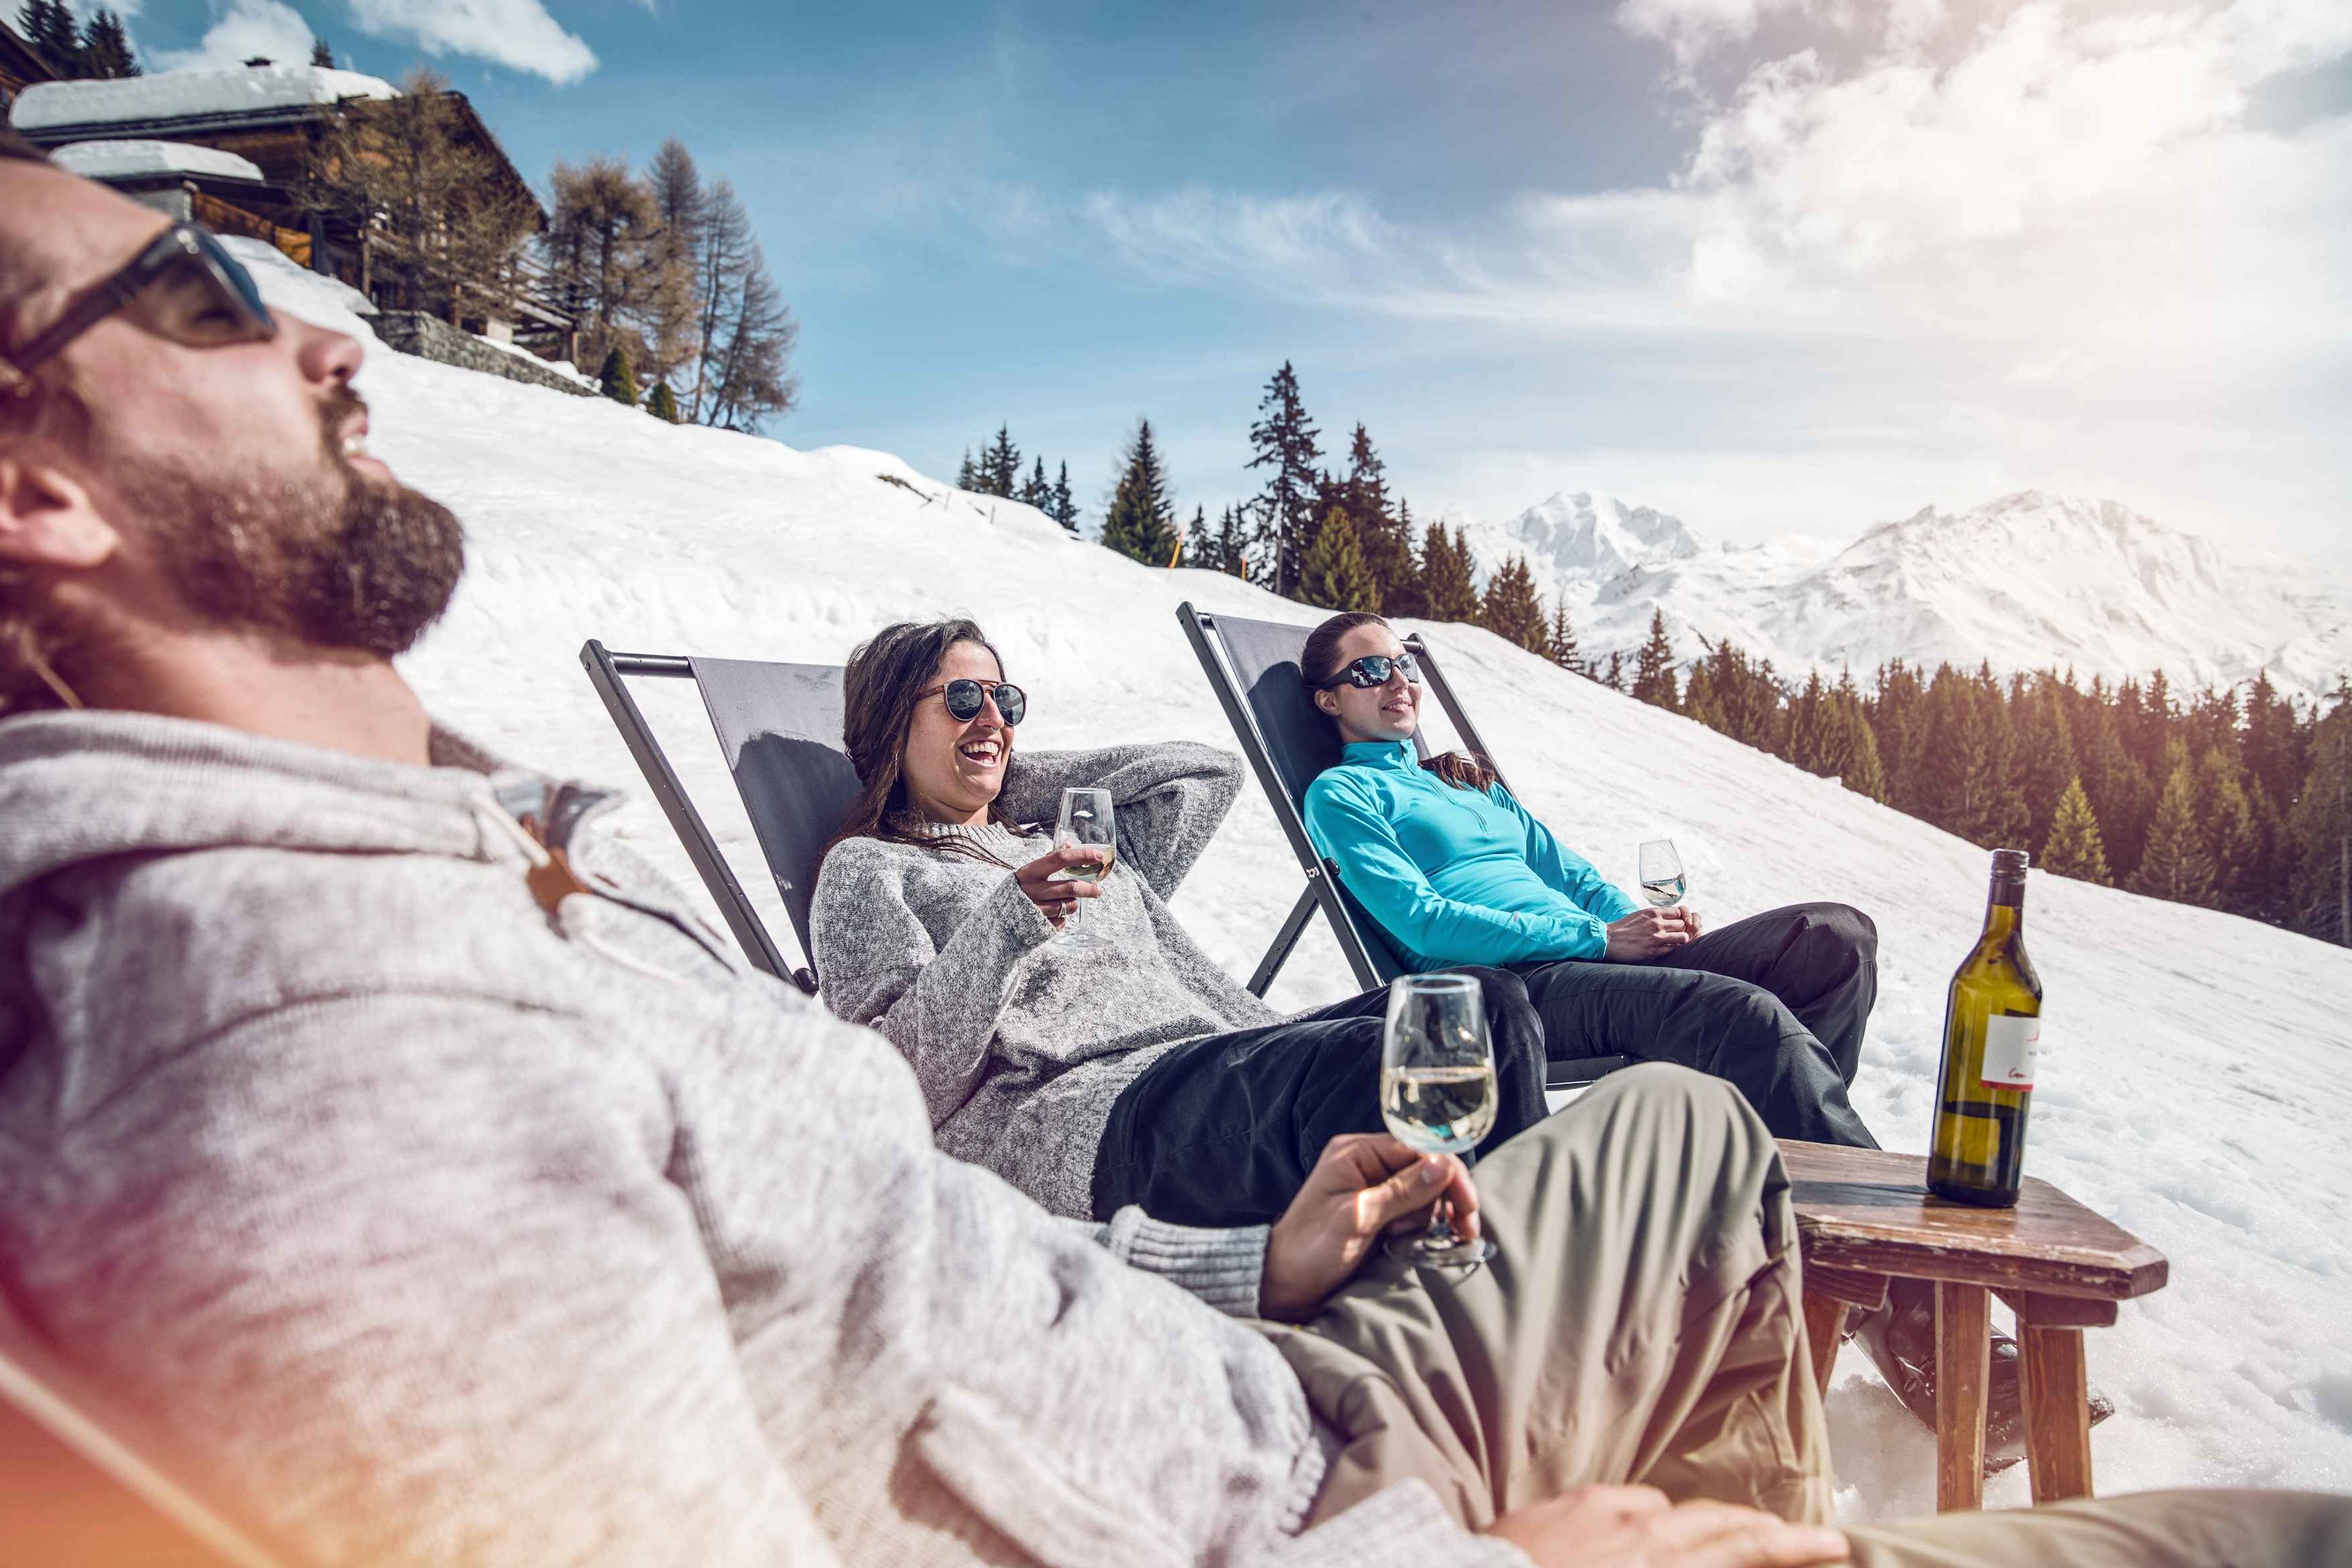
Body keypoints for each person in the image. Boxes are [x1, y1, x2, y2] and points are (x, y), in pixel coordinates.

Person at [2, 137, 2345, 1568]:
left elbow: (866, 1290)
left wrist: (1252, 1267)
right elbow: (905, 1097)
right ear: (41, 496)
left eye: (1013, 703)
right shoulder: (326, 1034)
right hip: (1236, 1389)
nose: (319, 332)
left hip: (1225, 1310)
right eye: (202, 290)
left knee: (1688, 1102)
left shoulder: (496, 875)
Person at [1293, 610, 2101, 1465]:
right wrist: (1600, 942)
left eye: (1403, 663)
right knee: (1740, 1016)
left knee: (1834, 940)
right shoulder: (1344, 794)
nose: (1397, 682)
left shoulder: (1467, 780)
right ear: (1328, 700)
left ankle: (1818, 1221)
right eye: (1369, 671)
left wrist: (1640, 925)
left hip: (1601, 960)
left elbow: (1570, 875)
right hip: (1519, 991)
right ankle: (1923, 1326)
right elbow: (1421, 925)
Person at [809, 617, 1552, 1227]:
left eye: (1007, 701)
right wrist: (1006, 924)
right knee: (1388, 1065)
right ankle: (1492, 1302)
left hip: (1215, 1057)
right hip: (1085, 1118)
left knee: (1482, 1005)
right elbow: (892, 1091)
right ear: (889, 722)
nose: (996, 717)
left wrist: (1003, 770)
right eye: (965, 697)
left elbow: (1202, 773)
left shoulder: (1061, 841)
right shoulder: (872, 869)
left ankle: (1505, 1270)